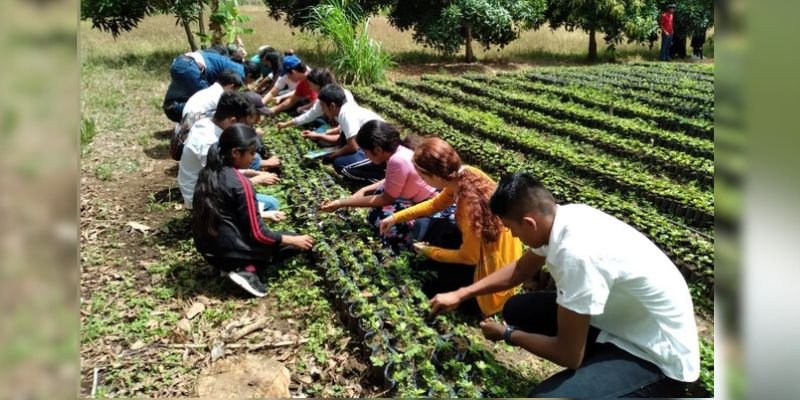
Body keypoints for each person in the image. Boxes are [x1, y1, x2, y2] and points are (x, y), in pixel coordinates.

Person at [429, 172, 700, 397]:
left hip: (656, 357)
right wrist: (461, 293)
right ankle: (600, 369)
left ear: (529, 222)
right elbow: (520, 270)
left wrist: (507, 334)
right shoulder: (565, 217)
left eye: (511, 228)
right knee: (518, 308)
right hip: (621, 322)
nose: (511, 234)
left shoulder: (576, 254)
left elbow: (569, 355)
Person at [379, 138, 522, 316]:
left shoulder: (468, 207)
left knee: (426, 272)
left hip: (489, 277)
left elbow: (469, 258)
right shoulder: (465, 174)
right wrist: (394, 218)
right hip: (500, 255)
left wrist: (430, 251)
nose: (422, 180)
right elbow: (435, 204)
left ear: (435, 176)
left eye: (423, 177)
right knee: (437, 229)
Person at [192, 123, 314, 297]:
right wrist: (294, 240)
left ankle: (230, 265)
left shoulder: (208, 172)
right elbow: (258, 234)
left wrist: (265, 214)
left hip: (207, 249)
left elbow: (226, 212)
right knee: (292, 242)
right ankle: (246, 269)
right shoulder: (241, 184)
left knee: (280, 238)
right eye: (250, 153)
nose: (254, 157)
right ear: (235, 153)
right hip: (228, 253)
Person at [319, 121, 443, 251]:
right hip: (425, 199)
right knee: (378, 197)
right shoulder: (400, 152)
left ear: (377, 149)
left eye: (366, 152)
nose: (365, 156)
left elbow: (386, 199)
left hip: (429, 208)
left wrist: (341, 202)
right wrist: (365, 189)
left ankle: (407, 244)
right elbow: (389, 180)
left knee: (378, 217)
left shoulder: (397, 161)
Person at [178, 92, 281, 216]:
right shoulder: (208, 142)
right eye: (244, 125)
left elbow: (223, 170)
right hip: (202, 200)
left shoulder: (208, 124)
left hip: (206, 187)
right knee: (271, 204)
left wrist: (252, 173)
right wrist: (256, 180)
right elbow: (221, 185)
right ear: (233, 121)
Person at [314, 84, 386, 182]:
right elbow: (342, 140)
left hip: (380, 152)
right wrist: (319, 136)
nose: (322, 110)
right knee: (341, 144)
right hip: (374, 148)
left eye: (323, 106)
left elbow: (353, 146)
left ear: (332, 106)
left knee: (340, 165)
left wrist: (333, 156)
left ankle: (381, 178)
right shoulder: (345, 109)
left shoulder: (345, 115)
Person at [170, 69, 243, 161]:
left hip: (186, 125)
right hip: (193, 127)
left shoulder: (208, 91)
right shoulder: (220, 97)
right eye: (236, 90)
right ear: (231, 86)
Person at [163, 50, 248, 122]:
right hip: (191, 68)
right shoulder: (217, 96)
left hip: (181, 62)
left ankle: (173, 108)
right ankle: (175, 110)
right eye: (235, 90)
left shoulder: (213, 88)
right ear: (231, 86)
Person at [275, 68, 346, 134]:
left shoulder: (342, 97)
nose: (310, 87)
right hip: (340, 129)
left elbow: (348, 136)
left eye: (310, 85)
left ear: (318, 85)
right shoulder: (323, 98)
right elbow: (309, 115)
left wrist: (323, 135)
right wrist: (285, 124)